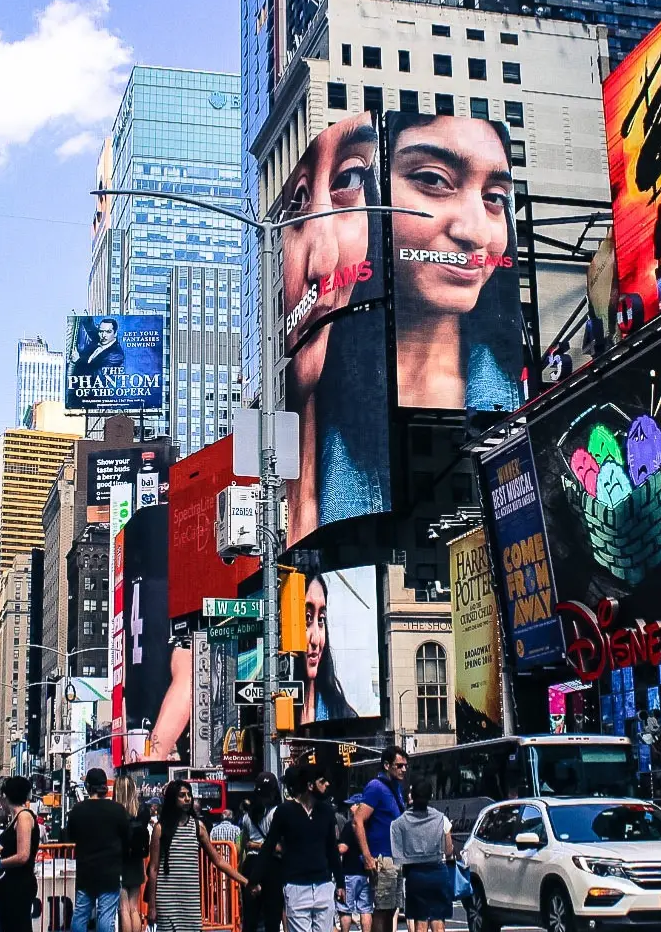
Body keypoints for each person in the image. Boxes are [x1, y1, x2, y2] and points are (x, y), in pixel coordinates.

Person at [277, 112, 390, 543]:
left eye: (349, 179)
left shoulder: (366, 487)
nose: (322, 261)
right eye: (299, 199)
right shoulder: (260, 487)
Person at [386, 112, 521, 412]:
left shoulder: (518, 391)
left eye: (495, 198)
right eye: (433, 180)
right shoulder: (323, 402)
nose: (476, 233)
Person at [151, 782, 245, 932]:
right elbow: (153, 869)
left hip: (191, 902)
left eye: (189, 795)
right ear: (172, 799)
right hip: (166, 901)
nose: (187, 799)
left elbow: (218, 860)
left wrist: (244, 881)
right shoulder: (160, 829)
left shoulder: (198, 827)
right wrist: (152, 905)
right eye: (182, 795)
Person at [262, 767, 343, 932]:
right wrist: (255, 879)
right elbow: (269, 845)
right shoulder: (285, 811)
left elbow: (332, 850)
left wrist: (340, 883)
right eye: (322, 781)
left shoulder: (326, 812)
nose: (327, 784)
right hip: (296, 886)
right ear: (310, 785)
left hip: (323, 885)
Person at [351, 749, 407, 932]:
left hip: (395, 857)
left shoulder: (395, 787)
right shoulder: (376, 787)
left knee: (391, 909)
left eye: (405, 765)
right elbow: (358, 820)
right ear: (386, 765)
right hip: (382, 858)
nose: (404, 769)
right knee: (382, 910)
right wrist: (367, 856)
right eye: (399, 766)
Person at [67, 769, 129, 932]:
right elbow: (126, 836)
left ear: (88, 787)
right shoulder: (117, 810)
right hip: (110, 871)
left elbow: (70, 837)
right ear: (105, 787)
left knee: (81, 914)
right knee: (106, 915)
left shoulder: (77, 811)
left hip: (86, 870)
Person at [386, 782, 451, 932]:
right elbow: (448, 850)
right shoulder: (441, 818)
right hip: (438, 872)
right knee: (438, 916)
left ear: (412, 797)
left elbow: (397, 850)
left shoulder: (402, 821)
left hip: (415, 875)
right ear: (431, 796)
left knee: (420, 919)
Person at [299, 577, 355, 724]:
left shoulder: (344, 714)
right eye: (307, 618)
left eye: (321, 619)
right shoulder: (267, 715)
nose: (316, 639)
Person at [0, 777, 38, 932]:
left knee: (18, 925)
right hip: (11, 882)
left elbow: (23, 855)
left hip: (19, 884)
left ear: (5, 796)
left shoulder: (24, 817)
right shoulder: (16, 818)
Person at [240, 777, 283, 932]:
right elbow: (279, 847)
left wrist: (254, 845)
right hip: (272, 864)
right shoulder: (277, 813)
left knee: (250, 916)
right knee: (272, 916)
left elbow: (244, 844)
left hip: (251, 862)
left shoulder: (247, 817)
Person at [113, 778, 147, 932]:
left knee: (123, 909)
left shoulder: (115, 811)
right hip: (137, 861)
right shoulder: (142, 810)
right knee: (134, 909)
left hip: (119, 863)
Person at [337, 795, 368, 932]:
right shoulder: (370, 825)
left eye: (352, 805)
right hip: (366, 872)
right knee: (366, 909)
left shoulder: (351, 825)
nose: (350, 809)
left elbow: (343, 848)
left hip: (350, 872)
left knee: (345, 909)